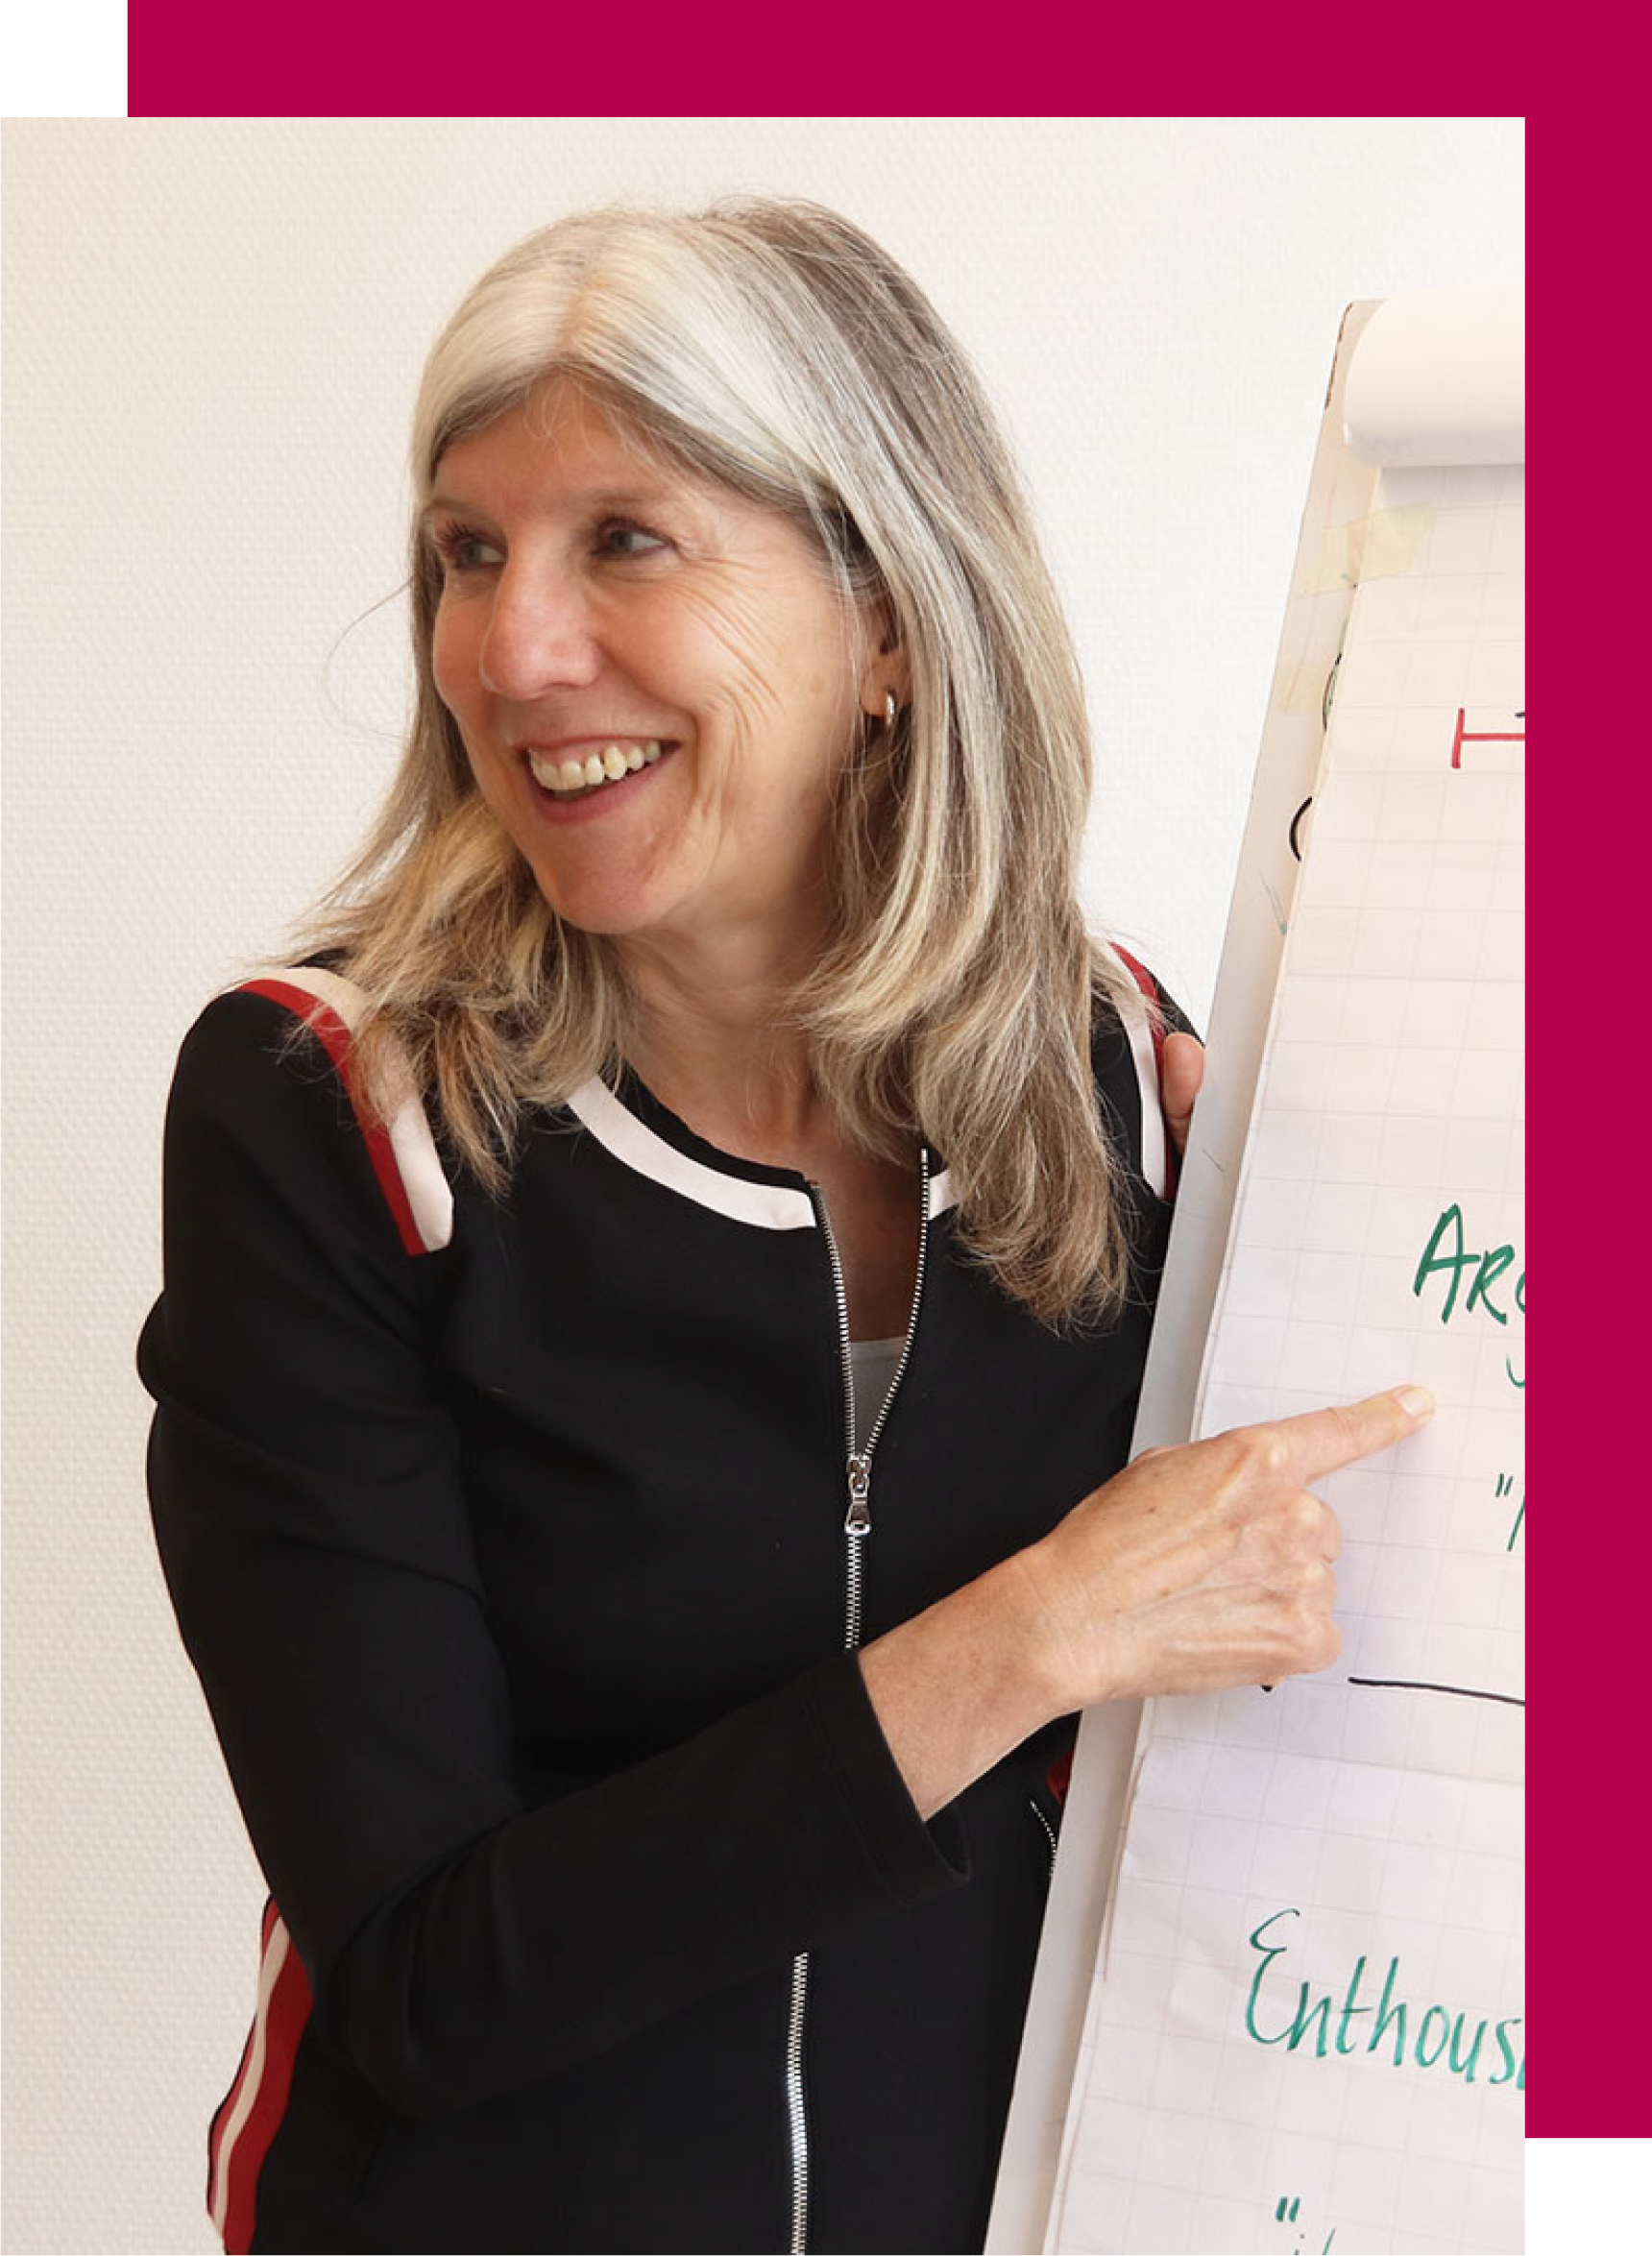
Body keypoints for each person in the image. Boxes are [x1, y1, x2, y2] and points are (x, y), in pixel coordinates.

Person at [138, 199, 1431, 2256]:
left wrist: (1337, 1263)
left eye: (623, 541)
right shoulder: (332, 1113)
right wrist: (1034, 1631)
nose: (508, 650)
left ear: (888, 622)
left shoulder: (1120, 1079)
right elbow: (427, 1981)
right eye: (466, 551)